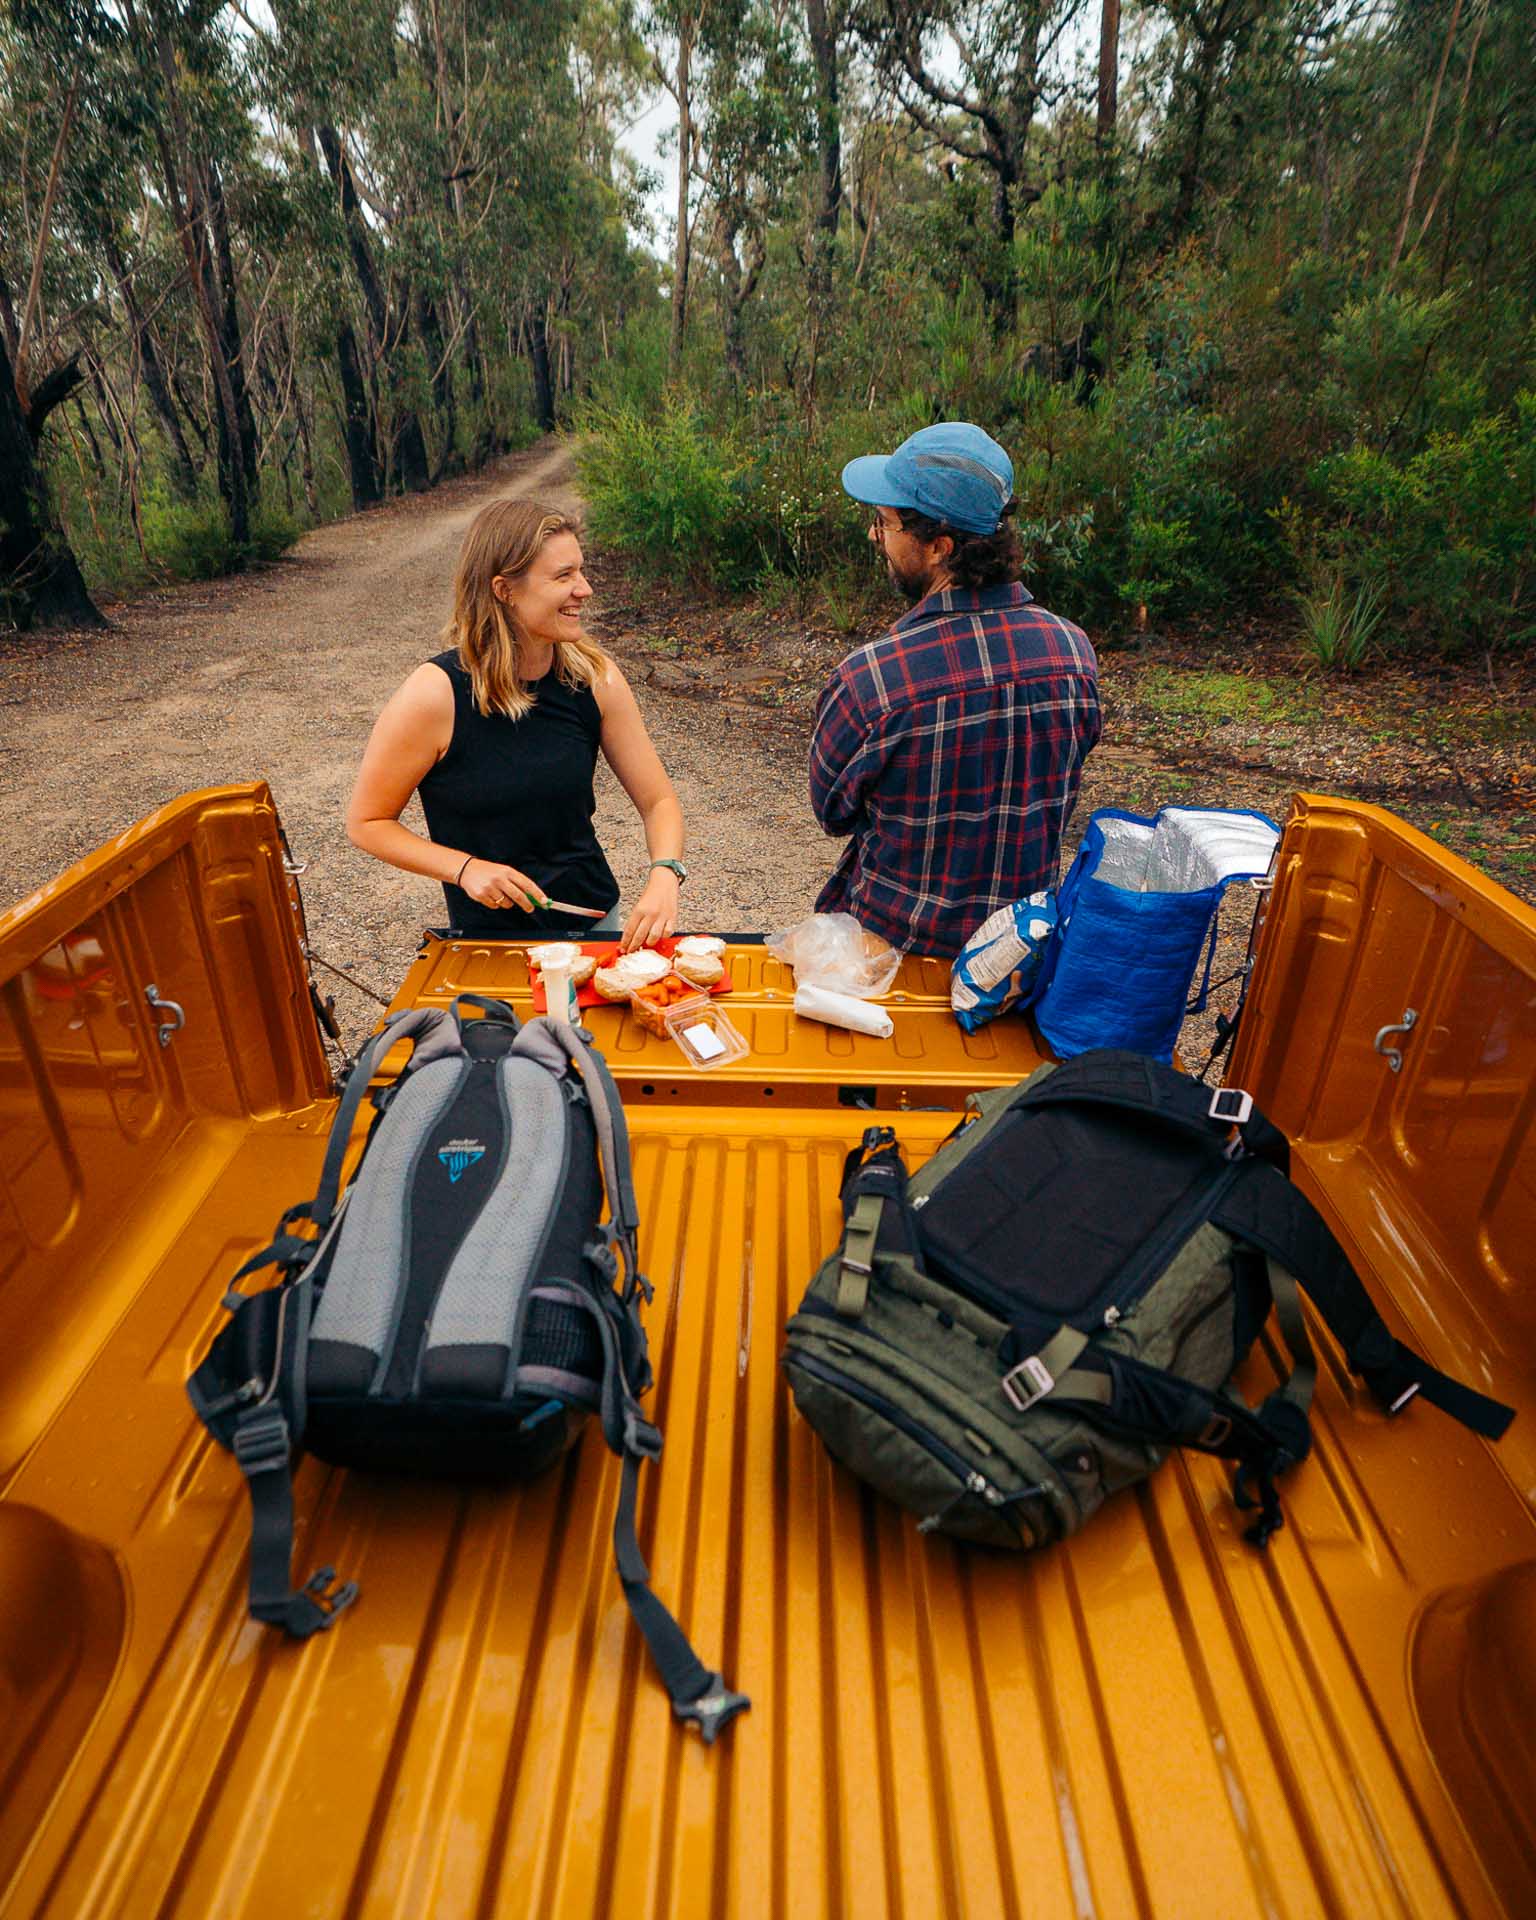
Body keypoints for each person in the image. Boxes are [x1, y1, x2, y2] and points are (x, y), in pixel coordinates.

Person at [809, 421, 1101, 958]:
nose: (875, 534)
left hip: (890, 957)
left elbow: (833, 813)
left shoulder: (872, 679)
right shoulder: (1074, 653)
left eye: (886, 522)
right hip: (1018, 958)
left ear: (939, 547)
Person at [347, 499, 689, 949]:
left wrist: (665, 875)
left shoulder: (594, 677)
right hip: (488, 945)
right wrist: (465, 869)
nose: (584, 589)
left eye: (581, 572)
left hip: (595, 929)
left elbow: (659, 800)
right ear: (505, 590)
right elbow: (368, 822)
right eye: (563, 576)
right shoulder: (436, 694)